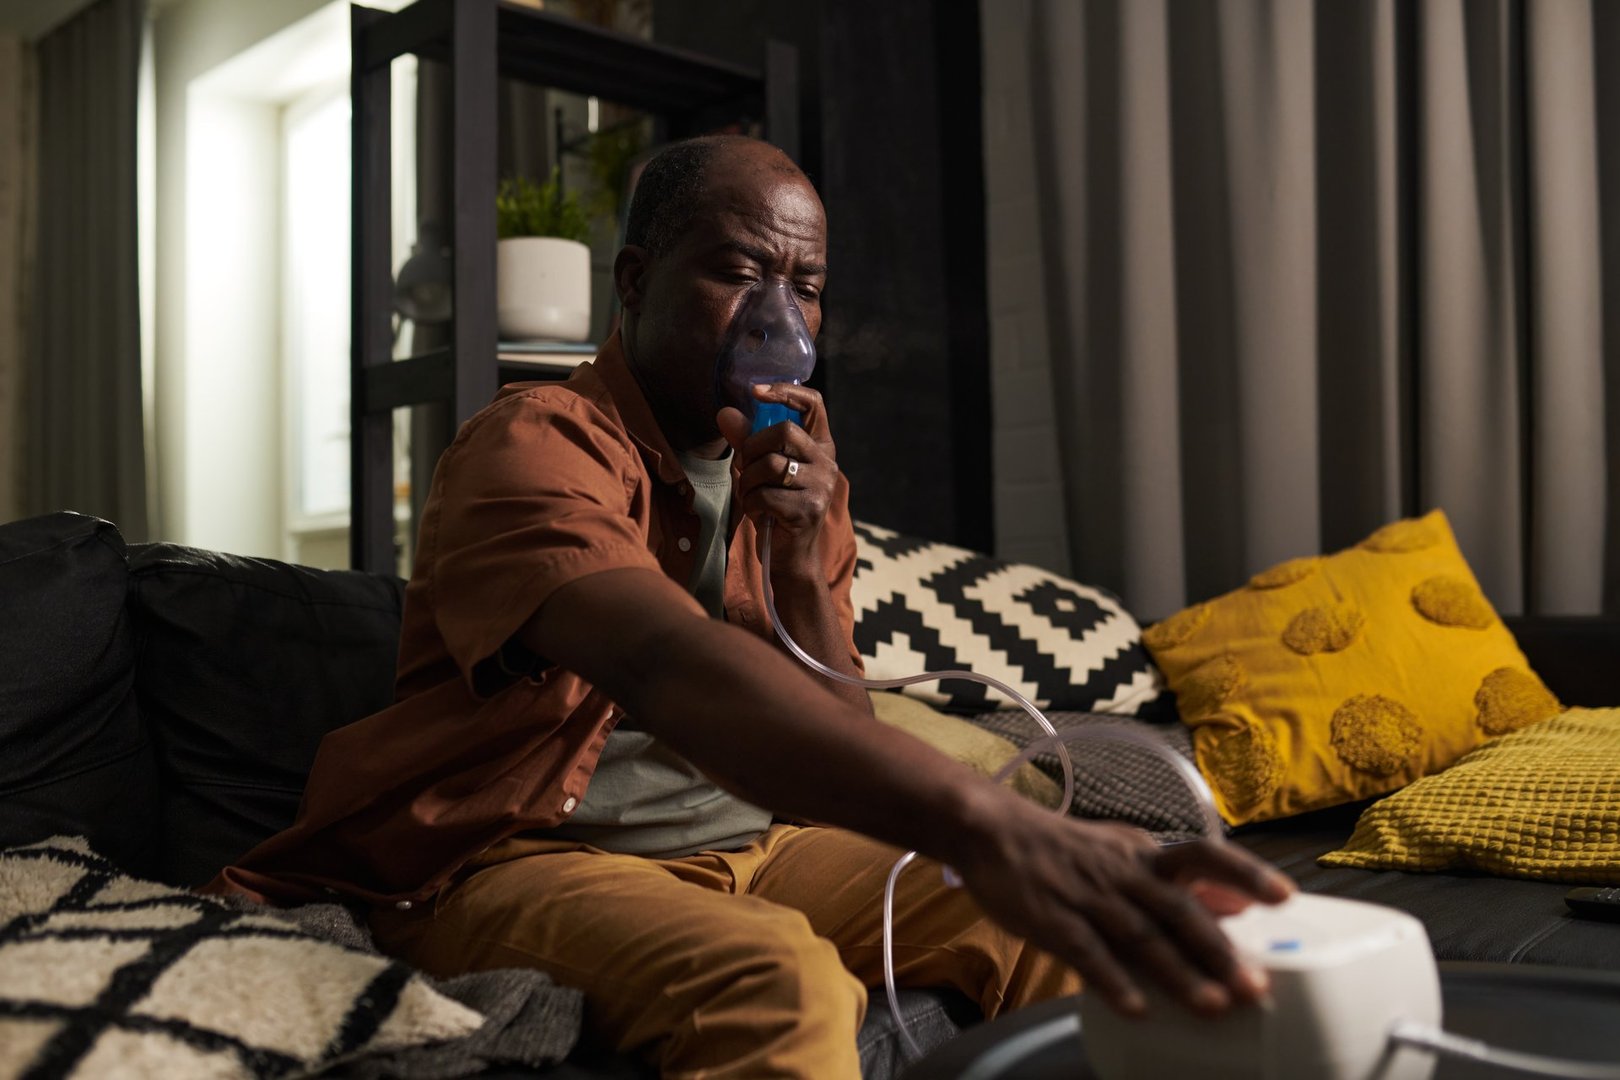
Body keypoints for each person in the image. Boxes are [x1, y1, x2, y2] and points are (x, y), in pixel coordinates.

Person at [212, 135, 1293, 1078]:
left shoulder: (796, 475)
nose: (780, 315)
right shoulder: (533, 446)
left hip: (763, 846)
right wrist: (993, 819)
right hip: (520, 858)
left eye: (807, 285)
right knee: (785, 985)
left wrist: (794, 554)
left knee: (1052, 927)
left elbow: (842, 730)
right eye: (739, 272)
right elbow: (661, 663)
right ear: (634, 281)